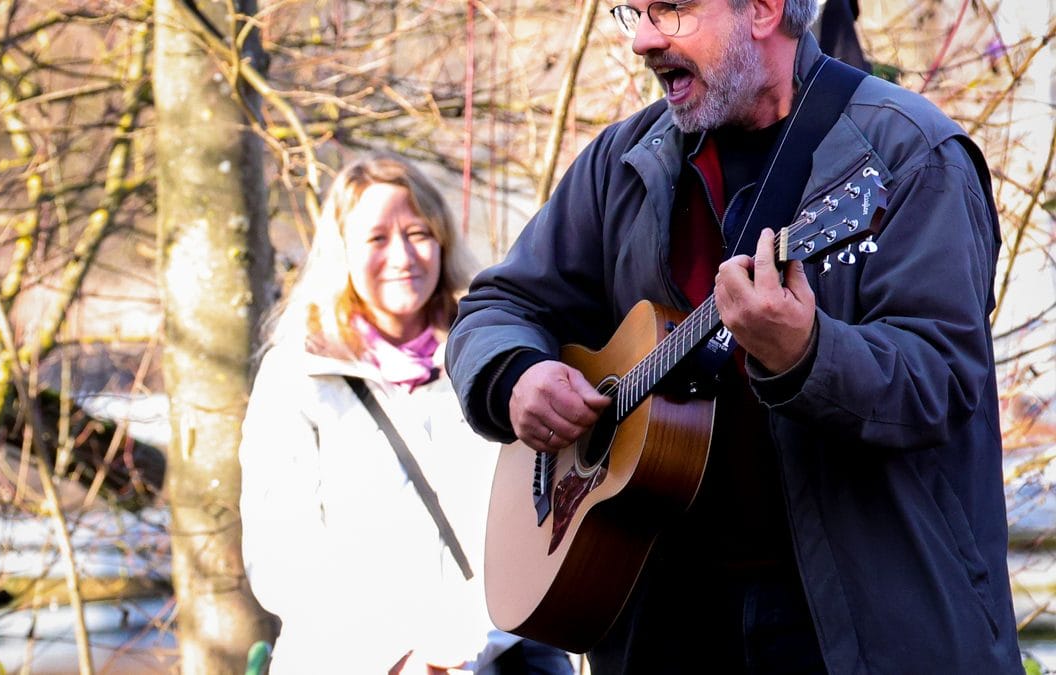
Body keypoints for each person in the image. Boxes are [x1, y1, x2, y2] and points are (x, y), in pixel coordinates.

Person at [444, 1, 1024, 673]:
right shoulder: (624, 161)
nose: (644, 40)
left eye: (673, 10)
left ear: (763, 9)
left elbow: (943, 380)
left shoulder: (909, 157)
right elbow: (497, 304)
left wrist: (807, 353)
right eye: (633, 12)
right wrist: (515, 375)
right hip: (662, 620)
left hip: (861, 631)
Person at [238, 153, 576, 674]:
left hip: (500, 655)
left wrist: (472, 641)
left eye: (418, 233)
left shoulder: (495, 365)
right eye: (376, 239)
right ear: (343, 253)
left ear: (441, 241)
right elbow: (281, 557)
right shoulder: (299, 374)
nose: (402, 256)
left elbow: (536, 523)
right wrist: (395, 653)